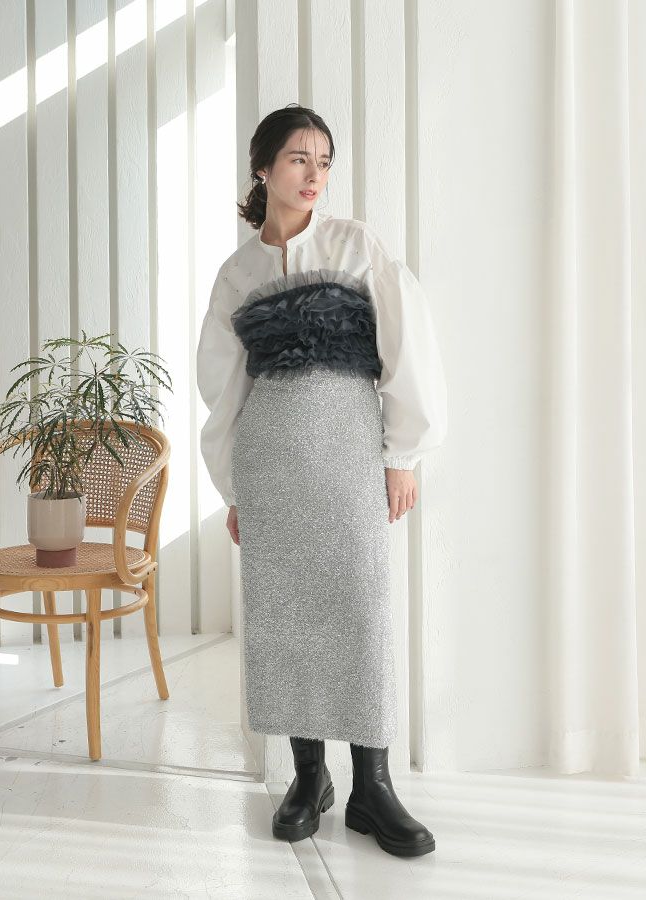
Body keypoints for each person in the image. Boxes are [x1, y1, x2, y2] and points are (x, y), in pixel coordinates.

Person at [196, 104, 447, 858]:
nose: (315, 174)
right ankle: (310, 779)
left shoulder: (354, 245)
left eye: (325, 161)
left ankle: (374, 787)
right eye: (299, 159)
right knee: (285, 617)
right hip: (271, 464)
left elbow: (407, 347)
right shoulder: (236, 274)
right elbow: (224, 390)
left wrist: (403, 455)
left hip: (349, 454)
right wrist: (234, 489)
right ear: (263, 168)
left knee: (361, 610)